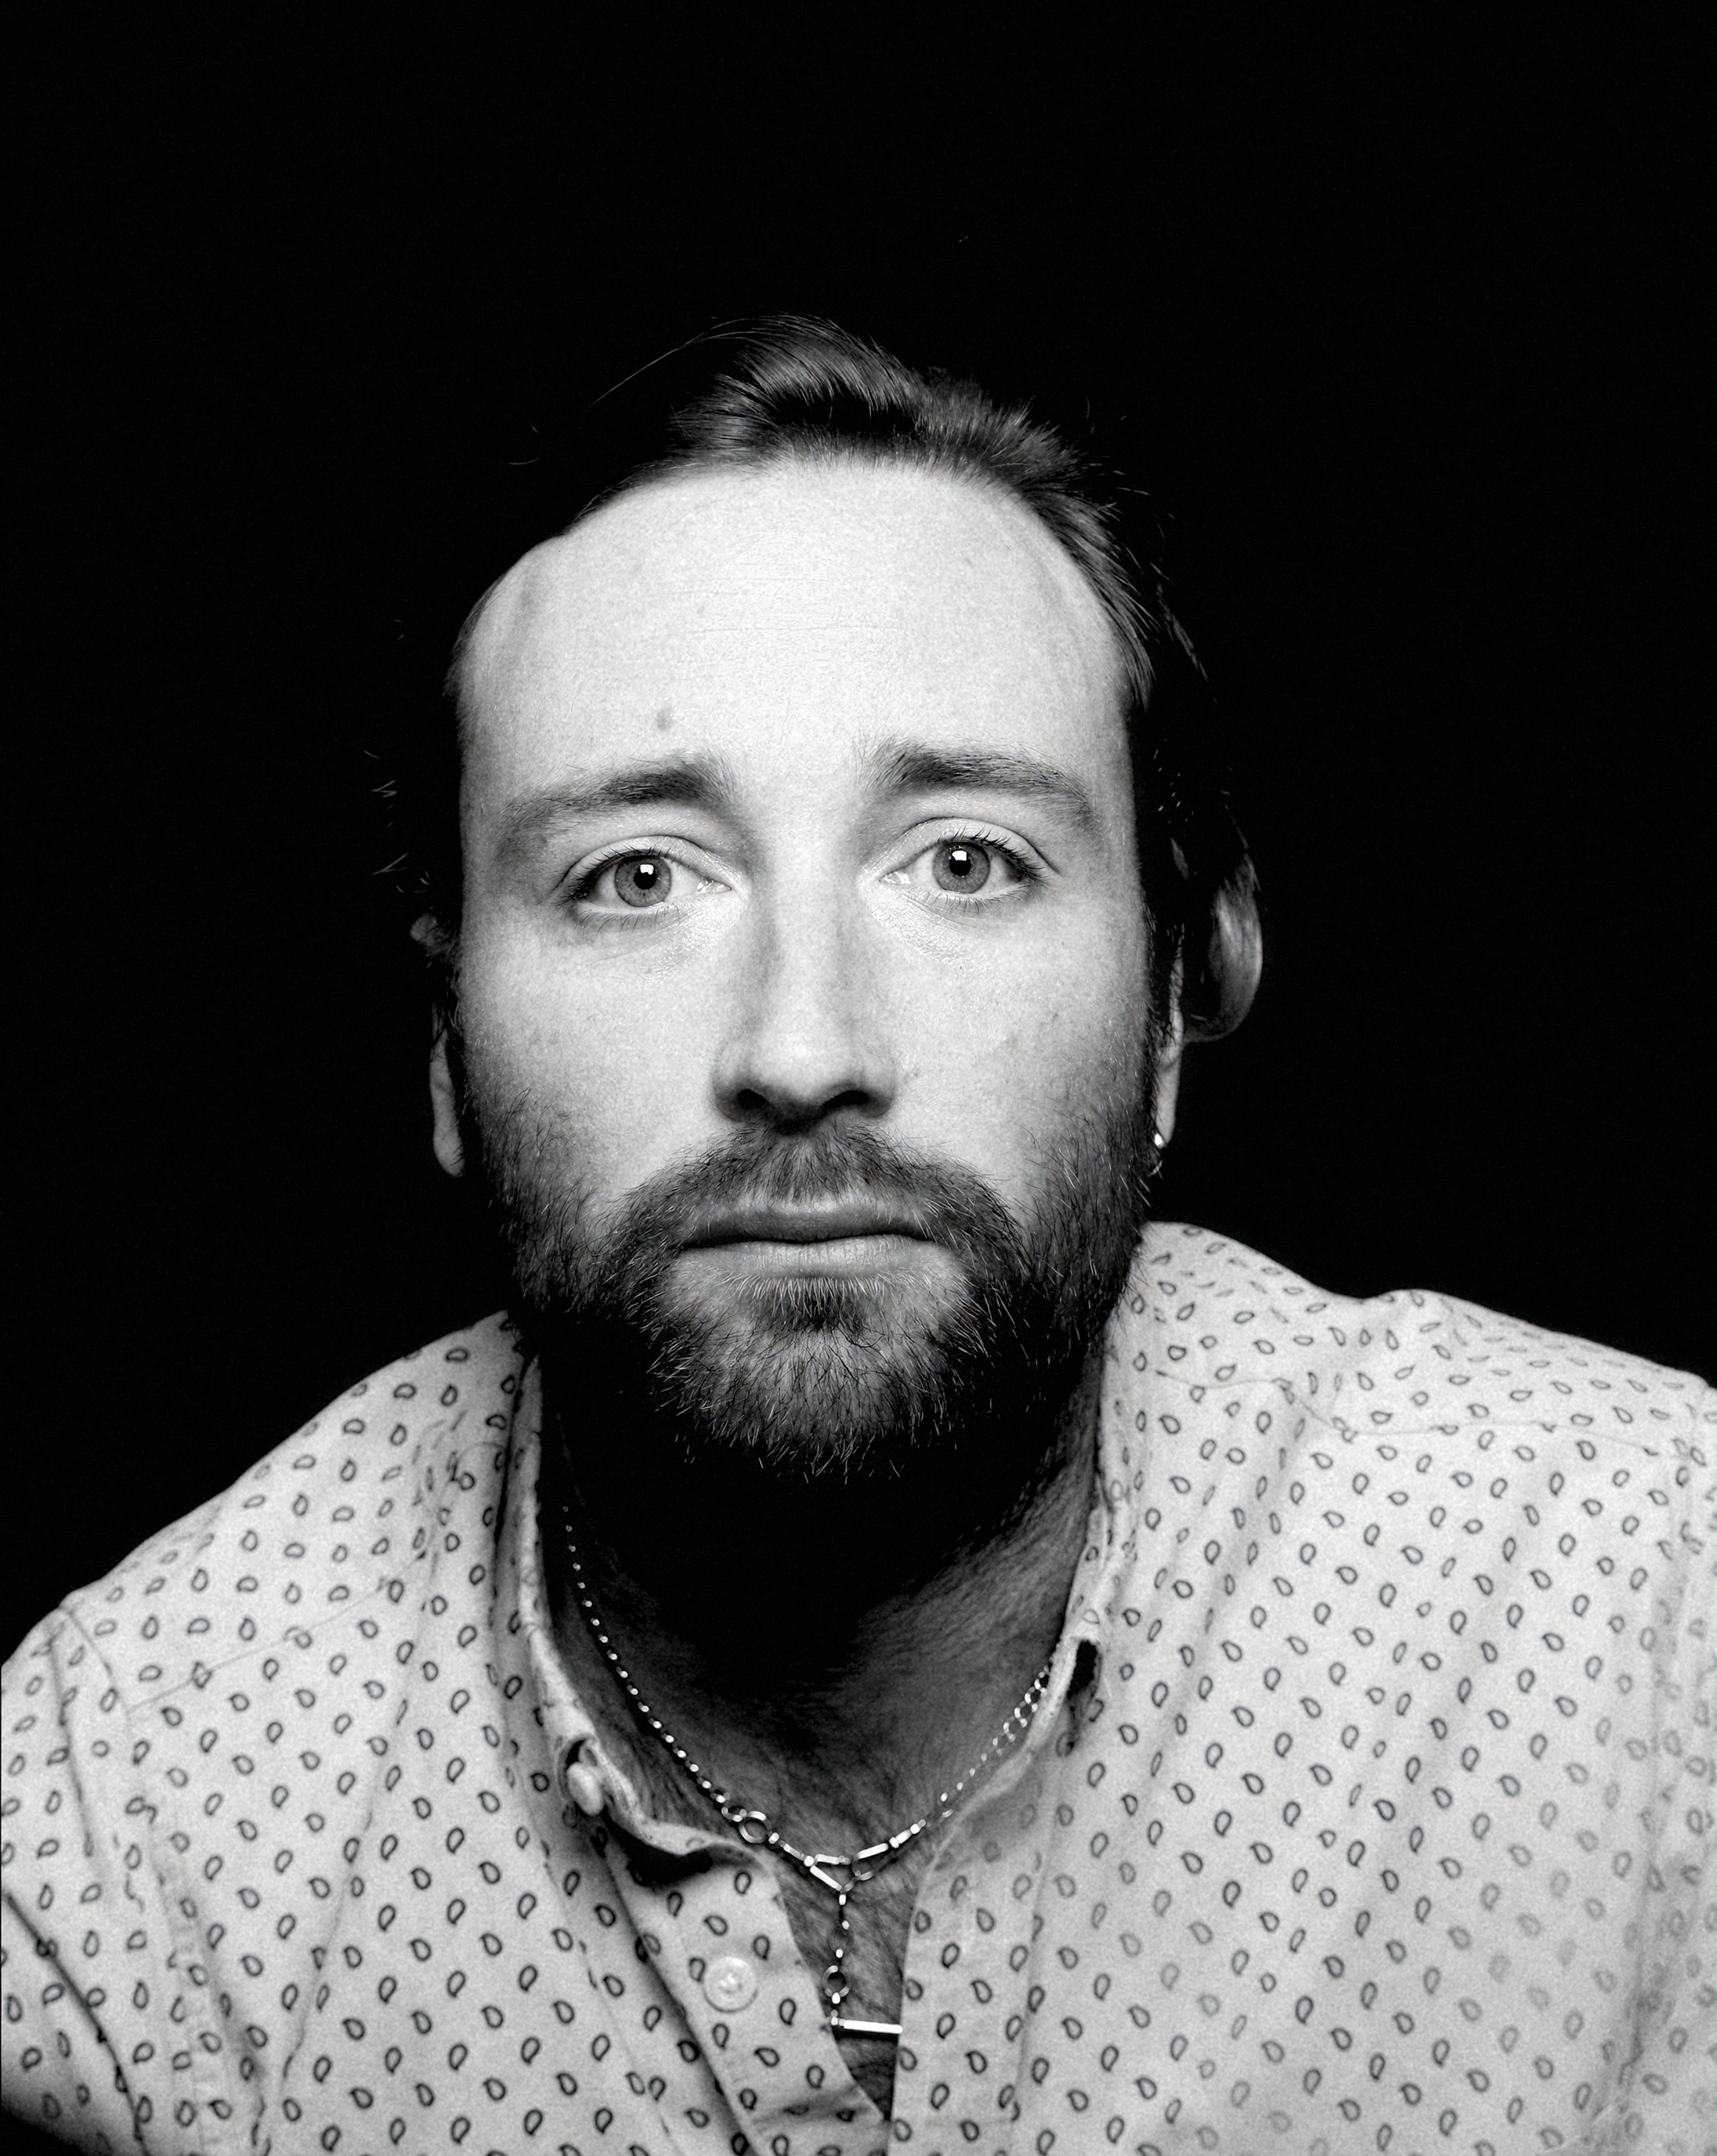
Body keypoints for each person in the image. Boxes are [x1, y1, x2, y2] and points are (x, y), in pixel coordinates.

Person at [3, 318, 1709, 2156]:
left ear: (1166, 1008)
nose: (803, 1047)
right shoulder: (111, 1847)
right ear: (443, 1046)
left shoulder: (1648, 1607)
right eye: (635, 877)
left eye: (964, 860)